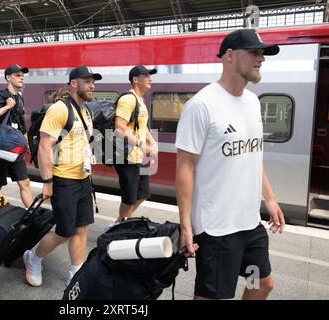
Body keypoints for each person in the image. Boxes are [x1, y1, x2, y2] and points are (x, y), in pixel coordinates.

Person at [175, 28, 286, 300]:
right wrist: (186, 225)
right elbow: (185, 167)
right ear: (229, 55)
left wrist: (269, 199)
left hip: (249, 223)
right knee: (213, 297)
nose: (261, 59)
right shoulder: (202, 105)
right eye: (254, 52)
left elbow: (252, 154)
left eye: (263, 53)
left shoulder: (251, 102)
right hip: (217, 228)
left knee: (260, 283)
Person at [23, 65, 101, 287]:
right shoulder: (59, 109)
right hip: (64, 180)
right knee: (65, 231)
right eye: (88, 81)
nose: (92, 85)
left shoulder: (87, 111)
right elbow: (45, 147)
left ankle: (76, 272)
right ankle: (34, 257)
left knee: (82, 227)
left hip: (83, 178)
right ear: (74, 83)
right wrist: (47, 182)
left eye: (93, 81)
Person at [0, 64, 33, 208]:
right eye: (17, 75)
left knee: (25, 182)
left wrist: (26, 143)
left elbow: (20, 124)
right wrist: (7, 107)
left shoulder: (19, 98)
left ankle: (31, 214)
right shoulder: (1, 96)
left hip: (14, 147)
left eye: (22, 75)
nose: (21, 78)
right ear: (8, 78)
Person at [113, 65, 158, 223]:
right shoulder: (128, 99)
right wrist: (140, 144)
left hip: (139, 156)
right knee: (129, 197)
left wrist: (152, 143)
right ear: (135, 79)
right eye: (146, 75)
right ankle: (120, 224)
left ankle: (121, 221)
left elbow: (142, 127)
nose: (150, 79)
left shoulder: (141, 101)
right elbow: (119, 126)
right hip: (126, 156)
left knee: (143, 193)